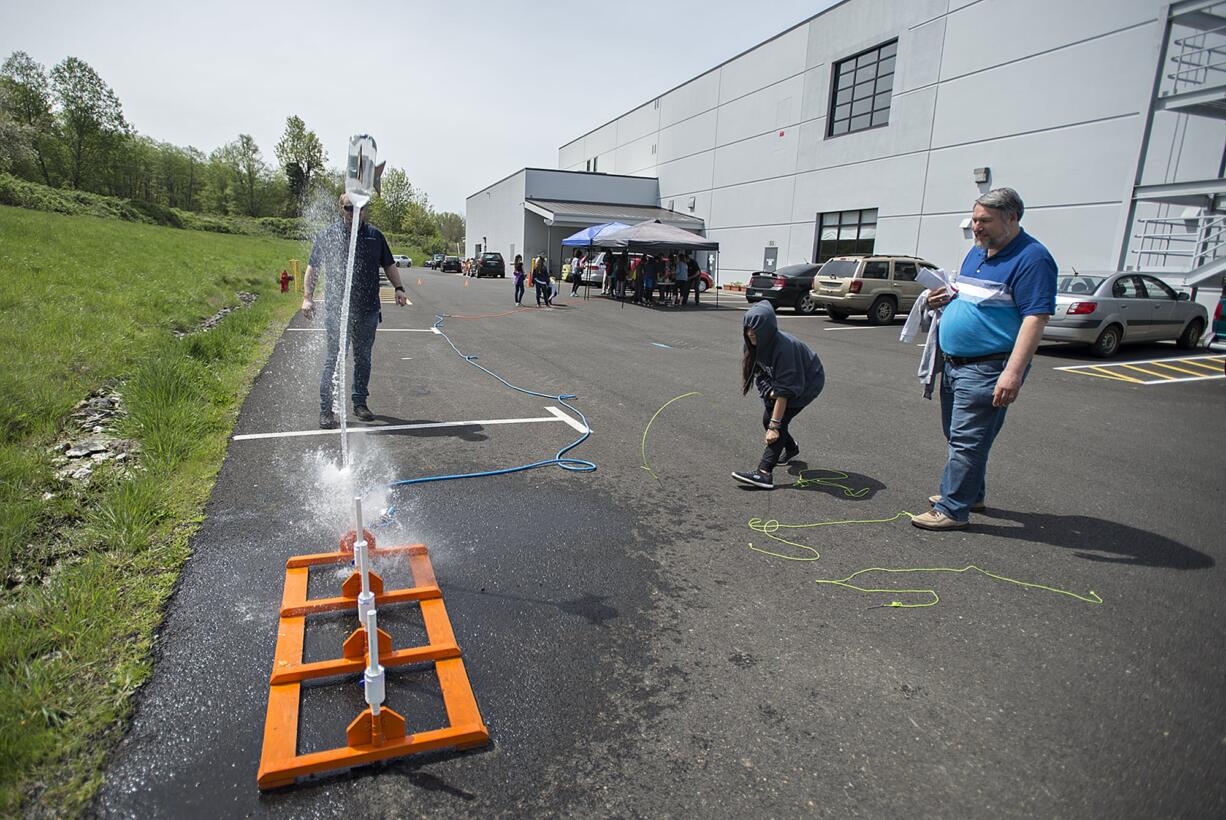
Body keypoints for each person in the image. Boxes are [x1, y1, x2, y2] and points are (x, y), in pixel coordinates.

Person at [912, 187, 1056, 530]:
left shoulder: (1033, 259)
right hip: (954, 363)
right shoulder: (977, 253)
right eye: (974, 220)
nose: (976, 227)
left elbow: (1035, 318)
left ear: (1012, 218)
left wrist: (1013, 373)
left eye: (985, 221)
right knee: (957, 434)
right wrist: (941, 299)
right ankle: (970, 493)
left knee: (967, 439)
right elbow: (967, 298)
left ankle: (953, 508)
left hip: (989, 366)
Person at [301, 193, 407, 429]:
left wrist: (399, 288)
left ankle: (359, 402)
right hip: (337, 311)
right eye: (349, 208)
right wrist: (307, 298)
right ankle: (326, 410)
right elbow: (312, 268)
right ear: (342, 209)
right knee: (334, 359)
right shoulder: (329, 235)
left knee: (363, 359)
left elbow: (388, 264)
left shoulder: (375, 236)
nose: (354, 212)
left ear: (366, 209)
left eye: (359, 208)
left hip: (367, 310)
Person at [732, 302, 825, 489]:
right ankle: (791, 448)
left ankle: (764, 472)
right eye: (748, 329)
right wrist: (769, 390)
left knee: (776, 422)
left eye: (755, 329)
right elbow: (759, 373)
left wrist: (774, 426)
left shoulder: (784, 348)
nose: (750, 334)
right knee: (770, 419)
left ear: (767, 329)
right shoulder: (751, 344)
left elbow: (786, 391)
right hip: (780, 382)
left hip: (807, 381)